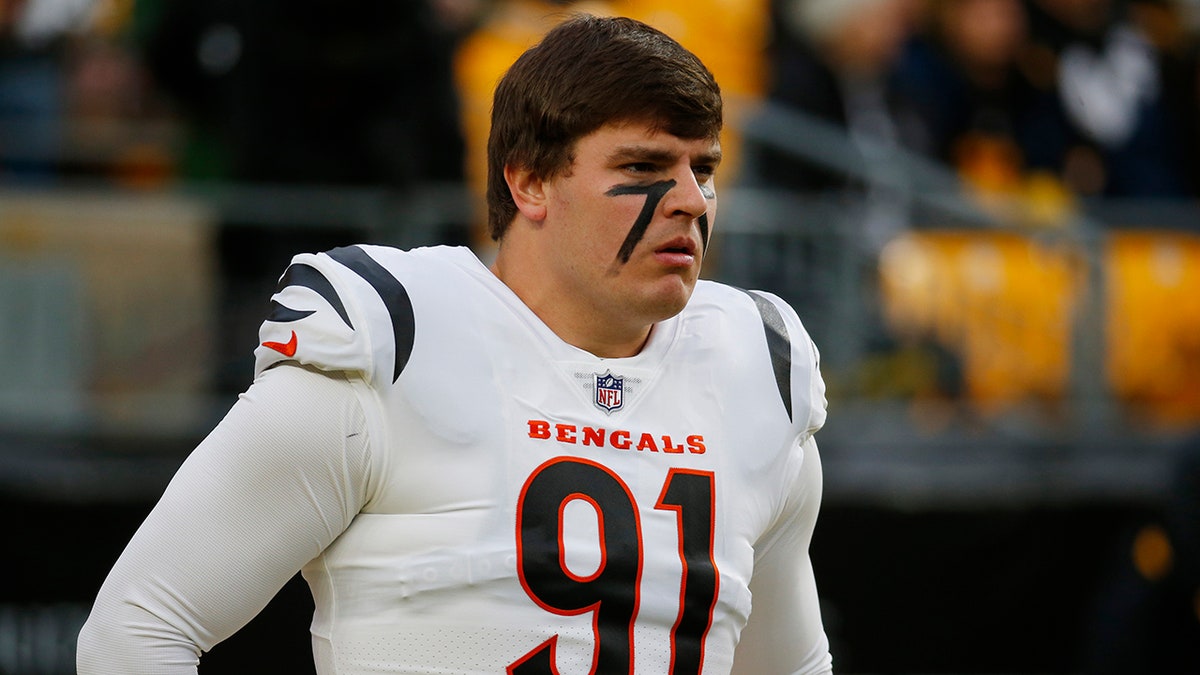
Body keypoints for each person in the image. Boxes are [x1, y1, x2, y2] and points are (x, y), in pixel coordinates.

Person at [76, 14, 833, 674]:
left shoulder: (754, 369)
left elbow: (791, 666)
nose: (691, 201)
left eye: (703, 170)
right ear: (530, 180)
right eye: (643, 167)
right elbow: (135, 630)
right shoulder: (393, 342)